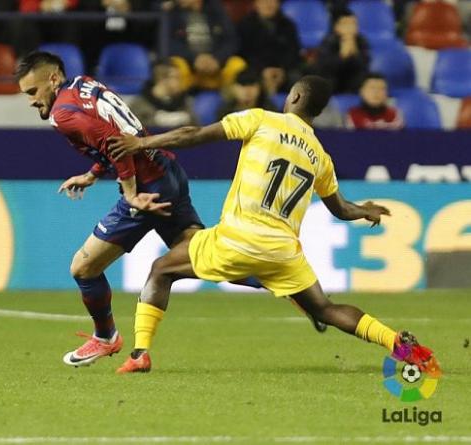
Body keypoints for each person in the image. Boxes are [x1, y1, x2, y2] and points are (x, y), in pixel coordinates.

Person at [105, 75, 441, 376]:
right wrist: (364, 210)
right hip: (283, 252)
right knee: (325, 308)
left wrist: (142, 144)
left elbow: (194, 134)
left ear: (294, 97)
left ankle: (140, 354)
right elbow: (340, 209)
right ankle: (406, 348)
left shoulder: (261, 119)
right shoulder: (320, 156)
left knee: (162, 270)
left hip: (239, 237)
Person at [15, 51, 205, 367]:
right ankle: (278, 280)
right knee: (205, 254)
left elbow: (114, 140)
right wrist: (92, 174)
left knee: (83, 268)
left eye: (33, 92)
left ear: (53, 78)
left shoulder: (63, 113)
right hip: (167, 171)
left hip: (147, 188)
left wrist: (130, 193)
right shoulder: (83, 85)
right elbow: (112, 132)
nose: (31, 101)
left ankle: (105, 337)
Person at [165, 0, 246, 91]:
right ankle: (181, 103)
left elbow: (232, 40)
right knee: (176, 66)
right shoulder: (174, 12)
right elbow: (169, 43)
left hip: (216, 64)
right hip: (190, 65)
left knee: (238, 65)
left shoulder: (216, 9)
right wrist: (195, 58)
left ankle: (230, 102)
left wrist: (217, 58)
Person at [236, 0, 302, 95]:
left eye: (272, 1)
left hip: (284, 71)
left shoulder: (288, 25)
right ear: (256, 4)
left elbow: (294, 52)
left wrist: (281, 70)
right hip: (255, 70)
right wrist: (263, 70)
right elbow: (243, 53)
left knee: (299, 80)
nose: (268, 4)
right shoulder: (245, 25)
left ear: (278, 3)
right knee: (246, 79)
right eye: (263, 1)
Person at [129, 59, 199, 127]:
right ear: (162, 79)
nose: (180, 82)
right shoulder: (139, 104)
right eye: (176, 78)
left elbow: (195, 127)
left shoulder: (184, 102)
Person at [315, 9, 370, 94]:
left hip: (354, 83)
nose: (351, 27)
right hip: (333, 83)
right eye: (346, 23)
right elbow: (324, 68)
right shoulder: (328, 42)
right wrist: (342, 56)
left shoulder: (362, 41)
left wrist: (355, 52)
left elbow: (365, 65)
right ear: (336, 27)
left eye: (353, 23)